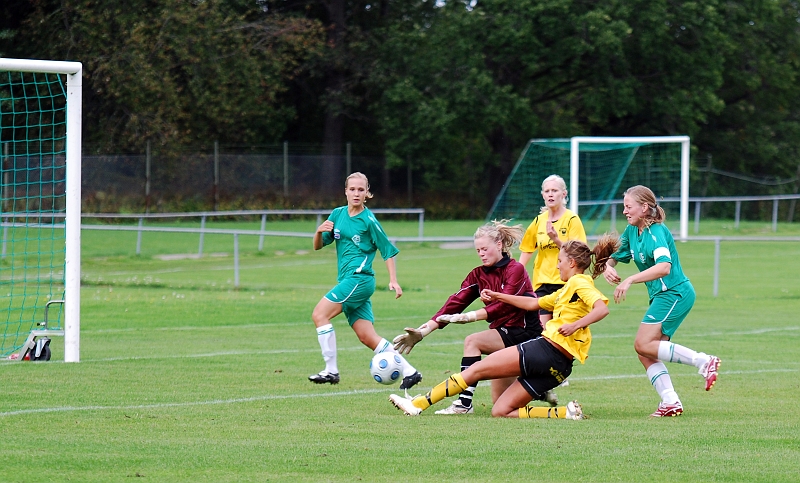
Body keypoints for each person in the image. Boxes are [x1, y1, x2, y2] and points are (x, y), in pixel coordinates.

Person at [389, 237, 619, 419]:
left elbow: (601, 308)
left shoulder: (579, 282)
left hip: (547, 350)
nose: (557, 265)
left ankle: (418, 404)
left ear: (571, 263)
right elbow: (532, 303)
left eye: (559, 261)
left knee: (476, 371)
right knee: (500, 410)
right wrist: (500, 295)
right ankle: (564, 413)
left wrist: (575, 325)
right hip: (561, 366)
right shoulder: (566, 289)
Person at [392, 220, 552, 415]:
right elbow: (454, 303)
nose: (481, 254)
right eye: (478, 250)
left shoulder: (515, 269)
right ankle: (539, 389)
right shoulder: (478, 275)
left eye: (485, 249)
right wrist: (423, 331)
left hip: (527, 334)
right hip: (505, 334)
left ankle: (463, 404)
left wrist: (470, 316)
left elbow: (503, 306)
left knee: (473, 341)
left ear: (499, 245)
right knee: (500, 405)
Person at [602, 185, 721, 417]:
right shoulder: (631, 231)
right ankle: (670, 401)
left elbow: (664, 267)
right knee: (646, 352)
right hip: (663, 296)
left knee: (642, 343)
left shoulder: (656, 232)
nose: (625, 211)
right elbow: (616, 257)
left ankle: (704, 361)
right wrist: (607, 266)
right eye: (624, 207)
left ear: (644, 208)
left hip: (675, 293)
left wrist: (629, 280)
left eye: (629, 207)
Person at [308, 172, 421, 390]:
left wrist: (393, 280)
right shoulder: (337, 214)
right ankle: (410, 372)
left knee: (319, 314)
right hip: (349, 281)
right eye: (352, 189)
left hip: (359, 280)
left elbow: (387, 250)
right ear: (346, 191)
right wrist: (318, 231)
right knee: (367, 337)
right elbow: (318, 245)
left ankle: (331, 371)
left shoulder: (369, 220)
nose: (356, 193)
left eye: (361, 190)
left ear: (367, 193)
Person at [519, 174, 587, 326]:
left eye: (555, 190)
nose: (550, 194)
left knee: (560, 331)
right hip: (542, 284)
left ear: (564, 194)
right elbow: (527, 249)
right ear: (542, 194)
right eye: (547, 191)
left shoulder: (571, 219)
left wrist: (556, 239)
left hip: (565, 282)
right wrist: (517, 271)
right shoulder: (539, 220)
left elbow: (579, 253)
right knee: (541, 331)